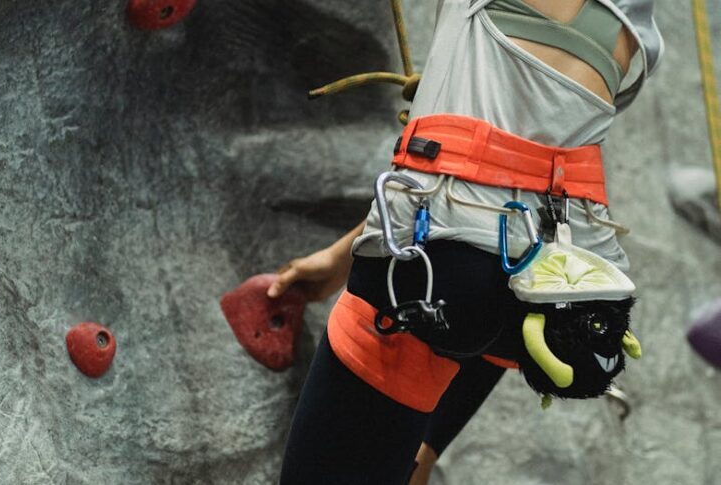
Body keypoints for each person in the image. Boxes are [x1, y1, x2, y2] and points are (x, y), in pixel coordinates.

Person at [272, 1, 663, 483]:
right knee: (408, 460)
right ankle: (424, 452)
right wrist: (339, 259)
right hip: (545, 285)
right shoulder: (635, 25)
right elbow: (510, 176)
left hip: (438, 271)